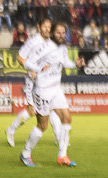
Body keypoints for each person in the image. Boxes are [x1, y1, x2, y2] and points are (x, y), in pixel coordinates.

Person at [20, 22, 85, 168]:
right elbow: (27, 63)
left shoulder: (62, 48)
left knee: (67, 119)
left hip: (56, 89)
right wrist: (38, 68)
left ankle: (62, 156)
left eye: (64, 33)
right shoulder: (43, 48)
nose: (62, 36)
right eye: (58, 33)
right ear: (51, 34)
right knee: (42, 126)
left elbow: (65, 62)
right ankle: (25, 153)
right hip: (42, 90)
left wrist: (76, 64)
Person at [6, 18, 63, 148]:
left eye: (50, 27)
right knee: (31, 111)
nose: (48, 29)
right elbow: (20, 58)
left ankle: (59, 137)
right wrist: (30, 69)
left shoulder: (51, 42)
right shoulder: (32, 41)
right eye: (45, 26)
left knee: (53, 108)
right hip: (32, 82)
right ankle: (11, 130)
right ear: (39, 27)